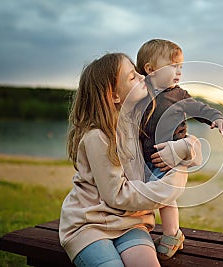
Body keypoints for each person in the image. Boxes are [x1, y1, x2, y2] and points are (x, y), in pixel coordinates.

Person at [59, 53, 202, 267]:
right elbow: (116, 196)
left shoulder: (139, 122)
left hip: (132, 223)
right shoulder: (97, 136)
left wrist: (182, 148)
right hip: (89, 225)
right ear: (114, 95)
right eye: (132, 77)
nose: (143, 77)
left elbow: (192, 150)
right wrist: (170, 187)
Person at [136, 39, 223, 259]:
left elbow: (199, 108)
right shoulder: (139, 93)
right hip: (145, 158)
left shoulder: (178, 95)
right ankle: (141, 230)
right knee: (144, 196)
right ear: (150, 69)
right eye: (173, 66)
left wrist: (216, 117)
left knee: (166, 197)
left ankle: (172, 234)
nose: (179, 71)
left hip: (170, 157)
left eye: (181, 66)